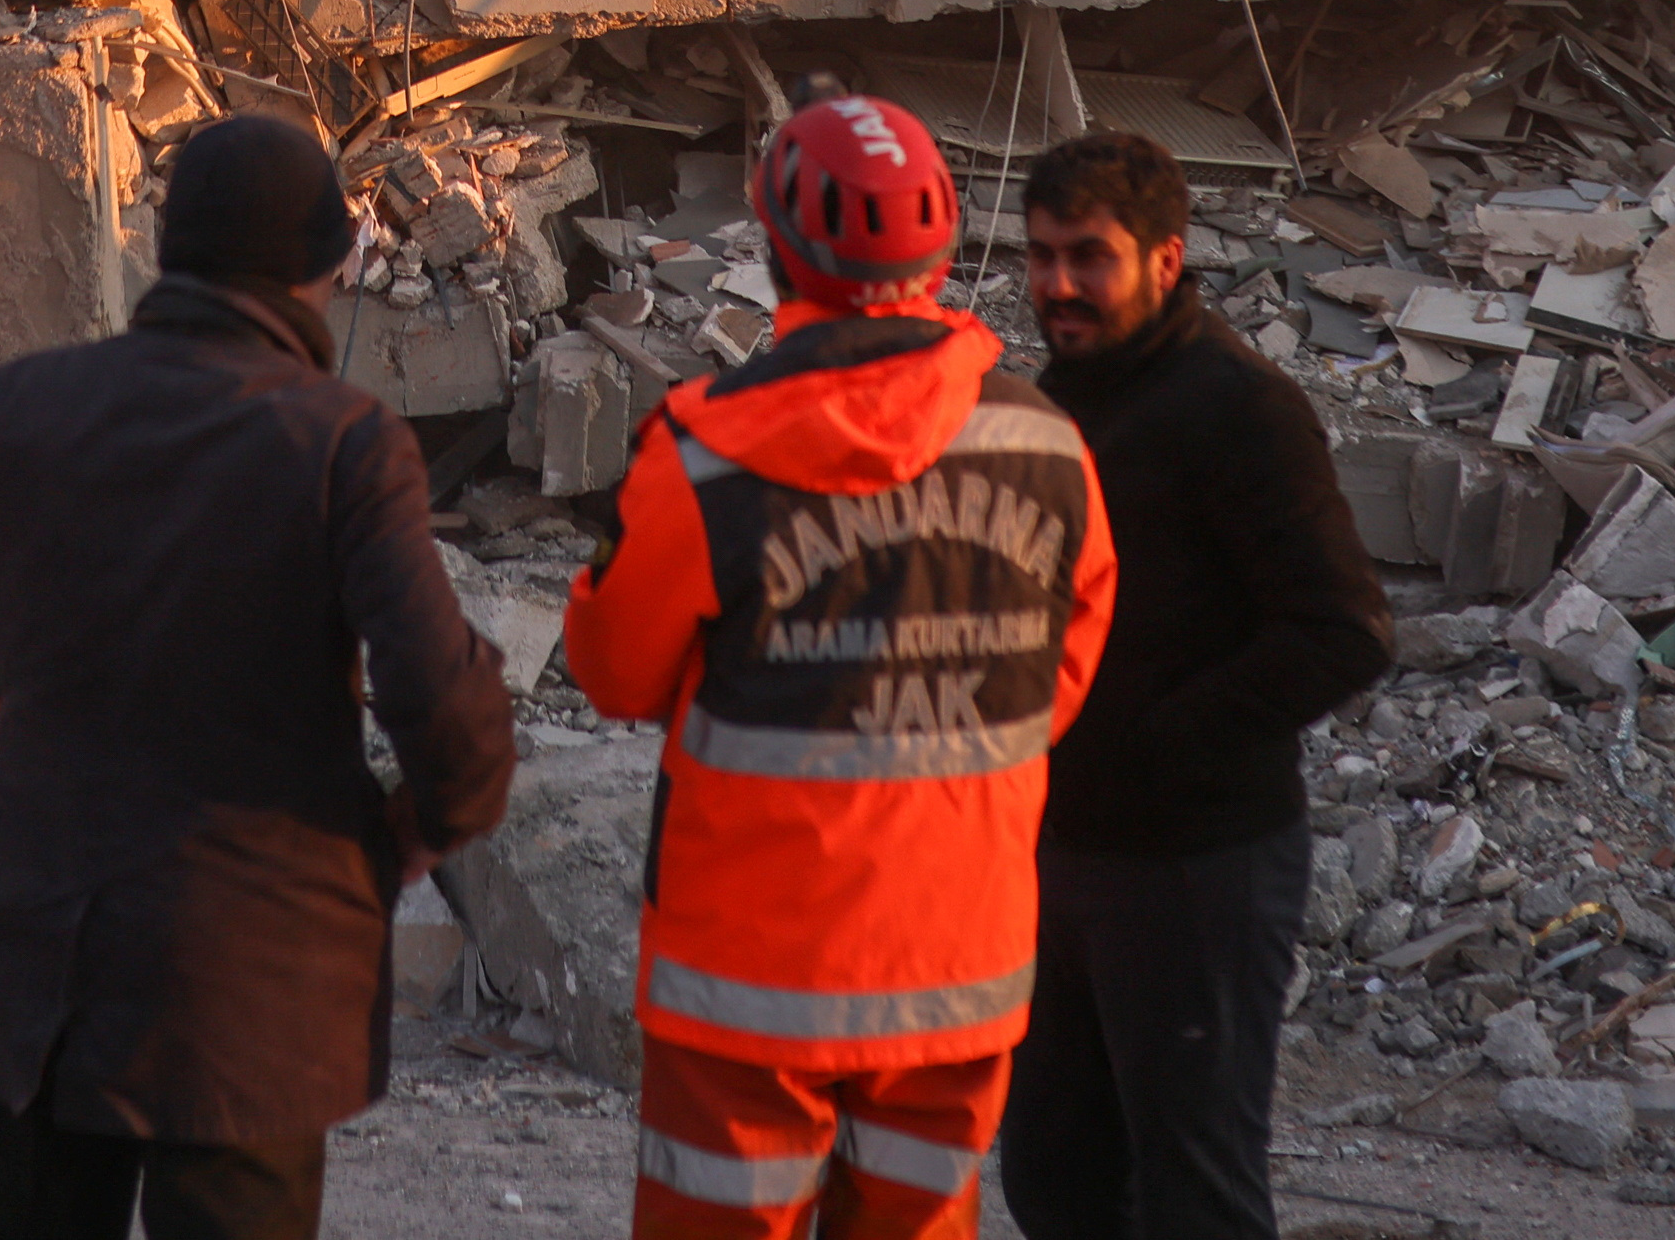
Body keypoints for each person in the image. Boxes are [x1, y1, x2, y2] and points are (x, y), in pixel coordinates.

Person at [0, 113, 514, 1240]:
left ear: (165, 248)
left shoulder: (15, 405)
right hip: (249, 983)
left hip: (45, 965)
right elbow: (443, 707)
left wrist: (38, 683)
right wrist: (422, 823)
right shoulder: (343, 440)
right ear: (326, 266)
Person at [565, 94, 1118, 1240]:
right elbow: (1054, 685)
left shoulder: (701, 451)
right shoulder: (1045, 446)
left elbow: (614, 673)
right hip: (955, 963)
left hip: (746, 985)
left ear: (774, 249)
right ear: (944, 249)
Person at [992, 130, 1393, 1240]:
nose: (1056, 283)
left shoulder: (1236, 407)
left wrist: (1153, 739)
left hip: (1195, 867)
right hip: (1065, 858)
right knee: (1055, 1175)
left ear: (1163, 259)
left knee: (1193, 1198)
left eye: (1087, 255)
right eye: (1039, 254)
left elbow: (1341, 628)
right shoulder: (1065, 398)